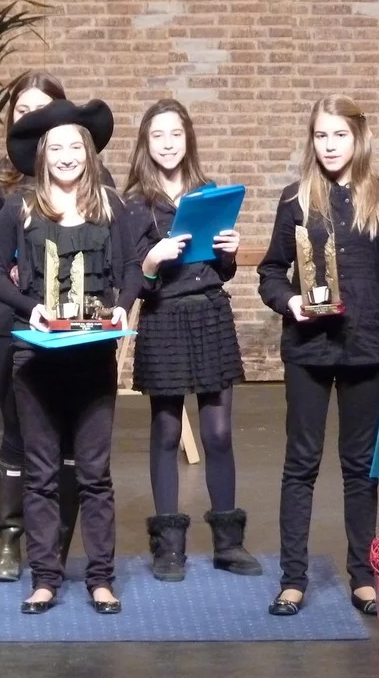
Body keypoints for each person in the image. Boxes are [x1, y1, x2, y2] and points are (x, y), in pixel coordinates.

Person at [256, 95, 379, 616]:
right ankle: (293, 579)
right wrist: (290, 302)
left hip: (366, 349)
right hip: (307, 350)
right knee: (300, 464)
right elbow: (270, 272)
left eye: (339, 135)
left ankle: (363, 577)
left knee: (360, 468)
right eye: (321, 135)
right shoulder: (295, 199)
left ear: (358, 138)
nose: (329, 145)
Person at [0, 99, 140, 614]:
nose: (67, 155)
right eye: (57, 147)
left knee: (95, 474)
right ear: (42, 154)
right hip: (36, 361)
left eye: (75, 146)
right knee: (42, 474)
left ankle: (101, 579)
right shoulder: (20, 207)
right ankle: (45, 578)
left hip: (92, 360)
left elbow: (133, 267)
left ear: (89, 152)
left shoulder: (110, 206)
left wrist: (123, 305)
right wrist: (29, 308)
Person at [0, 70, 117, 581]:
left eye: (44, 109)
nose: (35, 118)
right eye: (24, 111)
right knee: (20, 433)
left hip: (80, 334)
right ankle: (10, 539)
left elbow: (115, 258)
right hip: (15, 324)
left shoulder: (98, 185)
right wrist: (19, 273)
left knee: (74, 446)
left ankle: (58, 545)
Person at [123, 98, 262, 581]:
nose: (167, 144)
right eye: (158, 135)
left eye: (175, 134)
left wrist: (230, 252)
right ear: (146, 143)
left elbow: (222, 270)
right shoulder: (135, 204)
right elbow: (135, 281)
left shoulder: (207, 193)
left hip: (209, 314)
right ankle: (169, 547)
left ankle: (229, 543)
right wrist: (151, 261)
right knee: (165, 432)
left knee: (218, 433)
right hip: (163, 317)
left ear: (188, 140)